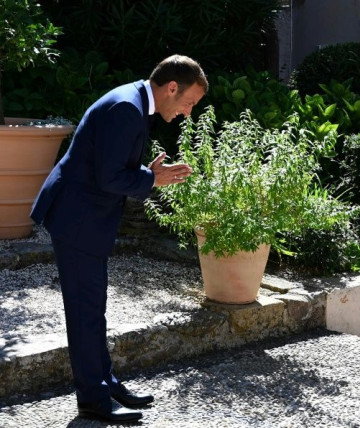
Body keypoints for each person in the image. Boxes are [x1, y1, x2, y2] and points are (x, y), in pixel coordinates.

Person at [31, 55, 208, 422]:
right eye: (189, 103)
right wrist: (152, 180)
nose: (188, 113)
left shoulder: (132, 102)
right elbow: (110, 178)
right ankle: (92, 401)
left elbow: (107, 165)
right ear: (172, 87)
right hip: (77, 219)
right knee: (85, 311)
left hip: (82, 217)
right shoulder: (127, 107)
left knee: (93, 309)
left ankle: (105, 383)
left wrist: (146, 173)